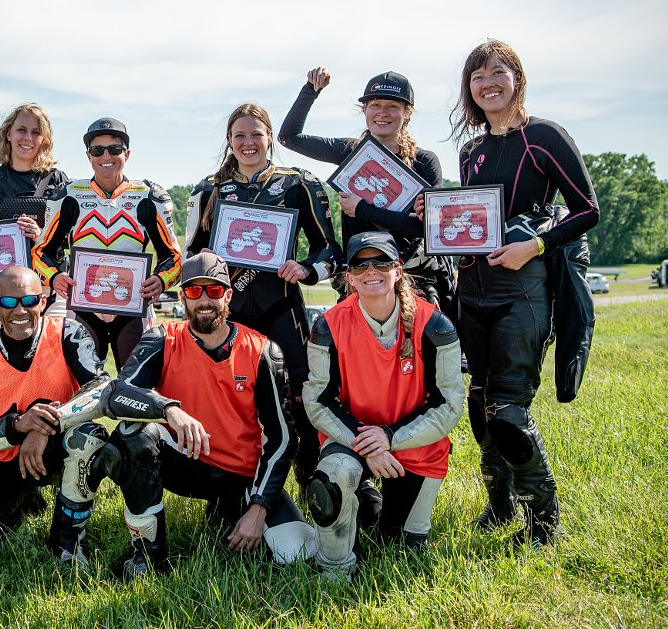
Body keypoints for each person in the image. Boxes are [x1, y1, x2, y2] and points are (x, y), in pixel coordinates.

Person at [437, 40, 599, 547]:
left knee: (508, 409)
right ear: (469, 88)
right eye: (477, 75)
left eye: (498, 72)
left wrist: (534, 246)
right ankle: (499, 506)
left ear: (517, 78)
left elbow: (586, 209)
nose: (488, 82)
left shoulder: (543, 136)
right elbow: (472, 222)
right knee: (480, 405)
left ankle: (543, 520)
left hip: (524, 290)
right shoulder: (470, 152)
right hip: (473, 290)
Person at [89, 252, 317, 578]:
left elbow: (282, 438)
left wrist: (259, 508)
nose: (205, 300)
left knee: (298, 552)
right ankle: (147, 555)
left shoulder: (264, 351)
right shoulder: (161, 339)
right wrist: (168, 410)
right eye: (195, 291)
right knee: (134, 434)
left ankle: (231, 508)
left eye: (214, 290)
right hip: (186, 462)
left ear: (228, 295)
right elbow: (118, 393)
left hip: (243, 475)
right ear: (183, 296)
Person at [185, 104, 341, 492]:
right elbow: (192, 257)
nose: (248, 142)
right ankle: (227, 486)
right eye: (240, 135)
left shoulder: (298, 183)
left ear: (269, 137)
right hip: (229, 313)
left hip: (282, 307)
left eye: (256, 134)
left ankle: (310, 479)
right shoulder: (208, 188)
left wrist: (306, 268)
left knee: (304, 395)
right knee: (229, 400)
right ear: (229, 141)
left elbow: (330, 249)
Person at [302, 232, 463, 581]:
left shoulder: (435, 325)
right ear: (348, 274)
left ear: (398, 270)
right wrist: (370, 443)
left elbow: (449, 406)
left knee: (403, 542)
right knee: (332, 480)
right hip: (351, 438)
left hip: (415, 445)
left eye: (382, 262)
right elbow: (317, 401)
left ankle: (370, 504)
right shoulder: (327, 325)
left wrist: (389, 438)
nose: (371, 270)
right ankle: (335, 569)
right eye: (360, 263)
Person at [0, 266, 109, 564]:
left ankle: (66, 543)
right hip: (5, 459)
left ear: (42, 301)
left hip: (58, 449)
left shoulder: (68, 332)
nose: (19, 311)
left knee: (88, 439)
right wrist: (17, 426)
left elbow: (103, 390)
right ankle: (27, 499)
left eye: (28, 301)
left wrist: (44, 426)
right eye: (9, 302)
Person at [278, 68, 455, 312]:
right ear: (365, 110)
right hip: (361, 278)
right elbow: (289, 137)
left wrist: (363, 209)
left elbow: (427, 228)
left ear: (407, 113)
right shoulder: (349, 152)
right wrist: (311, 90)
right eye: (375, 104)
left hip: (413, 278)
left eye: (393, 106)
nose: (383, 113)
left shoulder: (424, 161)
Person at [32, 117, 182, 369]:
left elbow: (174, 258)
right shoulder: (68, 195)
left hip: (133, 308)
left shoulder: (149, 197)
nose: (106, 156)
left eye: (114, 149)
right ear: (88, 156)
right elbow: (40, 251)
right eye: (97, 150)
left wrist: (161, 280)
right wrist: (54, 276)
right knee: (82, 388)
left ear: (127, 153)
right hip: (84, 308)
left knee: (138, 389)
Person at [0, 104, 71, 328]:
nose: (28, 138)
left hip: (50, 290)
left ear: (45, 139)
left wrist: (41, 235)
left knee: (53, 359)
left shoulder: (59, 181)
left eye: (36, 132)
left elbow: (70, 237)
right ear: (9, 133)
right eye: (21, 130)